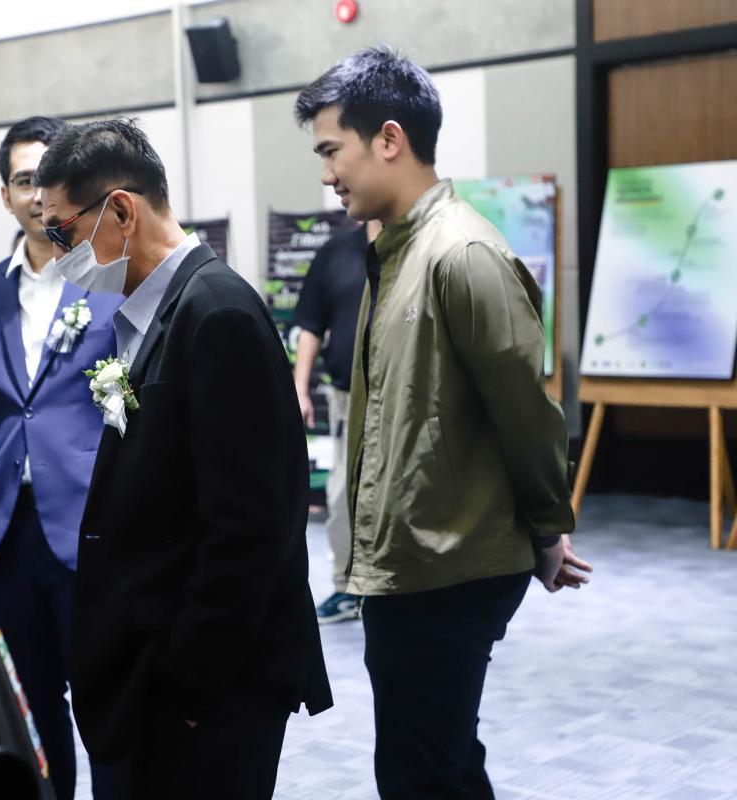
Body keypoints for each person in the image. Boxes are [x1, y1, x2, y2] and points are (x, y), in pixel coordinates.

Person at [294, 46, 593, 798]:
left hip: (449, 566)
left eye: (331, 150)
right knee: (442, 760)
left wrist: (547, 531)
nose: (326, 174)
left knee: (418, 770)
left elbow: (527, 416)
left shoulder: (461, 253)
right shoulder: (395, 250)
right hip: (410, 562)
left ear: (389, 139)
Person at [33, 118, 332, 800]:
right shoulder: (154, 309)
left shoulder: (217, 313)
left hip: (203, 689)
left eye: (62, 233)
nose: (56, 256)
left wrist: (190, 685)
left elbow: (252, 529)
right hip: (156, 670)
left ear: (120, 211)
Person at [0, 116, 124, 800]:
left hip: (91, 526)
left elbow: (134, 404)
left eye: (50, 178)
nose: (38, 194)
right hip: (6, 535)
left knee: (106, 696)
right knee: (28, 703)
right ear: (6, 195)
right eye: (25, 180)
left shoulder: (110, 279)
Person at [293, 221, 379, 623]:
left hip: (404, 395)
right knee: (343, 492)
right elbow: (310, 326)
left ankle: (398, 589)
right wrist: (300, 388)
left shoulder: (415, 245)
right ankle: (347, 587)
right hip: (347, 399)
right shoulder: (335, 252)